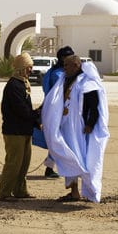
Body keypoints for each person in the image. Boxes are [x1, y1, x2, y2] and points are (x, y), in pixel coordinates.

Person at [42, 55, 110, 203]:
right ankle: (74, 191)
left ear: (76, 66)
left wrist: (90, 124)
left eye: (67, 65)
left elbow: (94, 105)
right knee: (68, 157)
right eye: (64, 65)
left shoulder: (86, 83)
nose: (64, 68)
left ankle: (90, 190)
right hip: (66, 127)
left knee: (84, 160)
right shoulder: (65, 81)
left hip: (81, 130)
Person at [0, 53, 41, 201]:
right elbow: (22, 110)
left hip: (24, 130)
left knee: (24, 163)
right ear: (22, 68)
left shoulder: (23, 83)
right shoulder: (13, 86)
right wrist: (38, 113)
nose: (31, 70)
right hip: (14, 131)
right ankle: (5, 192)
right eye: (29, 68)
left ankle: (20, 190)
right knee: (13, 163)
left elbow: (26, 111)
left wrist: (36, 122)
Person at [39, 45, 75, 179]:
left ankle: (52, 167)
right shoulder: (58, 75)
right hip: (58, 112)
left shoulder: (56, 72)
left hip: (58, 111)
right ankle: (51, 168)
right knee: (58, 140)